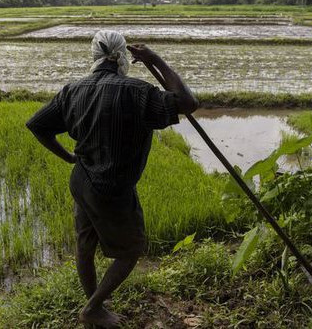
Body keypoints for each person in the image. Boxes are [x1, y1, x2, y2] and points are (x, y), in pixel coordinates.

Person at [26, 30, 198, 328]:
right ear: (123, 58)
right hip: (112, 187)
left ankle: (96, 307)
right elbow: (187, 102)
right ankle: (93, 308)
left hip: (81, 181)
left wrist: (69, 157)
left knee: (85, 244)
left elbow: (37, 125)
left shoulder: (73, 90)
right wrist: (154, 59)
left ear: (93, 56)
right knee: (131, 249)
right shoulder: (138, 92)